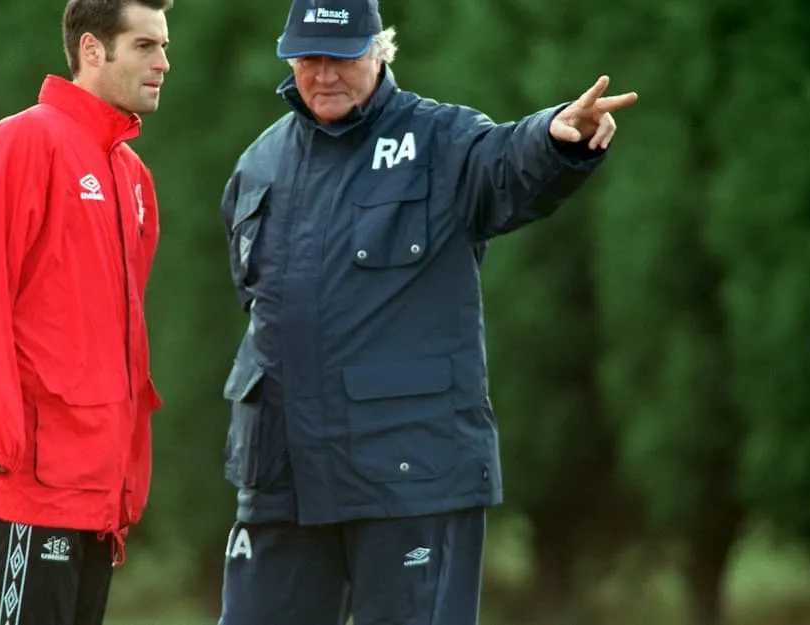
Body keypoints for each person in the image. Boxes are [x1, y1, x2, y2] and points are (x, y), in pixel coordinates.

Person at [216, 0, 637, 623]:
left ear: (380, 51)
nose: (323, 73)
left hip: (409, 478)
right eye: (308, 57)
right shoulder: (261, 163)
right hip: (283, 481)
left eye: (342, 56)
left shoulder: (439, 140)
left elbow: (506, 162)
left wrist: (556, 138)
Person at [0, 0, 171, 623]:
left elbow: (120, 342)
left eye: (164, 47)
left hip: (96, 490)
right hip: (29, 485)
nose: (163, 63)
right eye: (144, 46)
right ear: (91, 49)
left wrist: (125, 474)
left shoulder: (132, 176)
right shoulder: (17, 143)